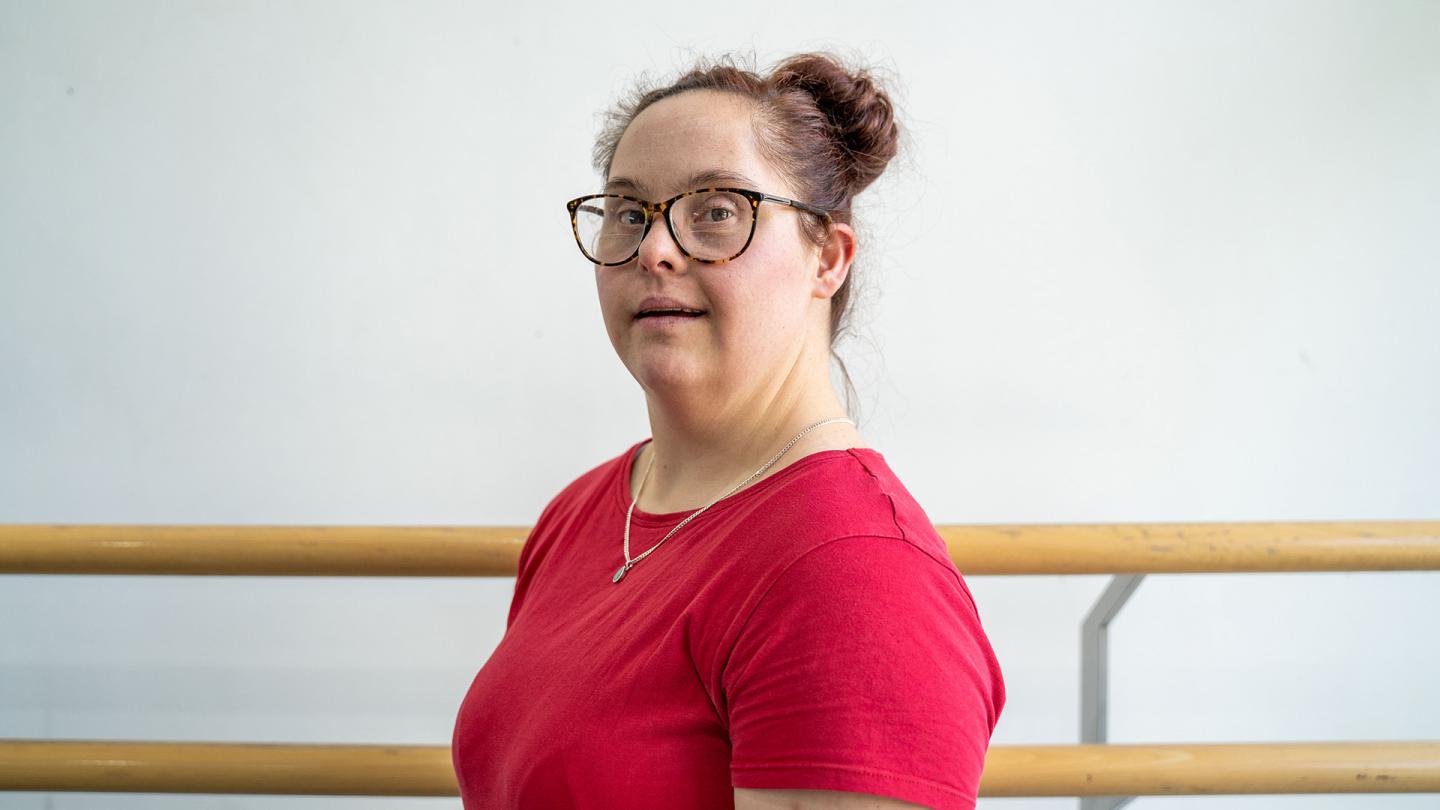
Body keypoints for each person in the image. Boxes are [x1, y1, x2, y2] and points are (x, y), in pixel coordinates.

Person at [452, 50, 1005, 810]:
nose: (654, 248)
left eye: (716, 210)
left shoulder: (854, 577)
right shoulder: (581, 512)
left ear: (828, 258)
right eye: (628, 212)